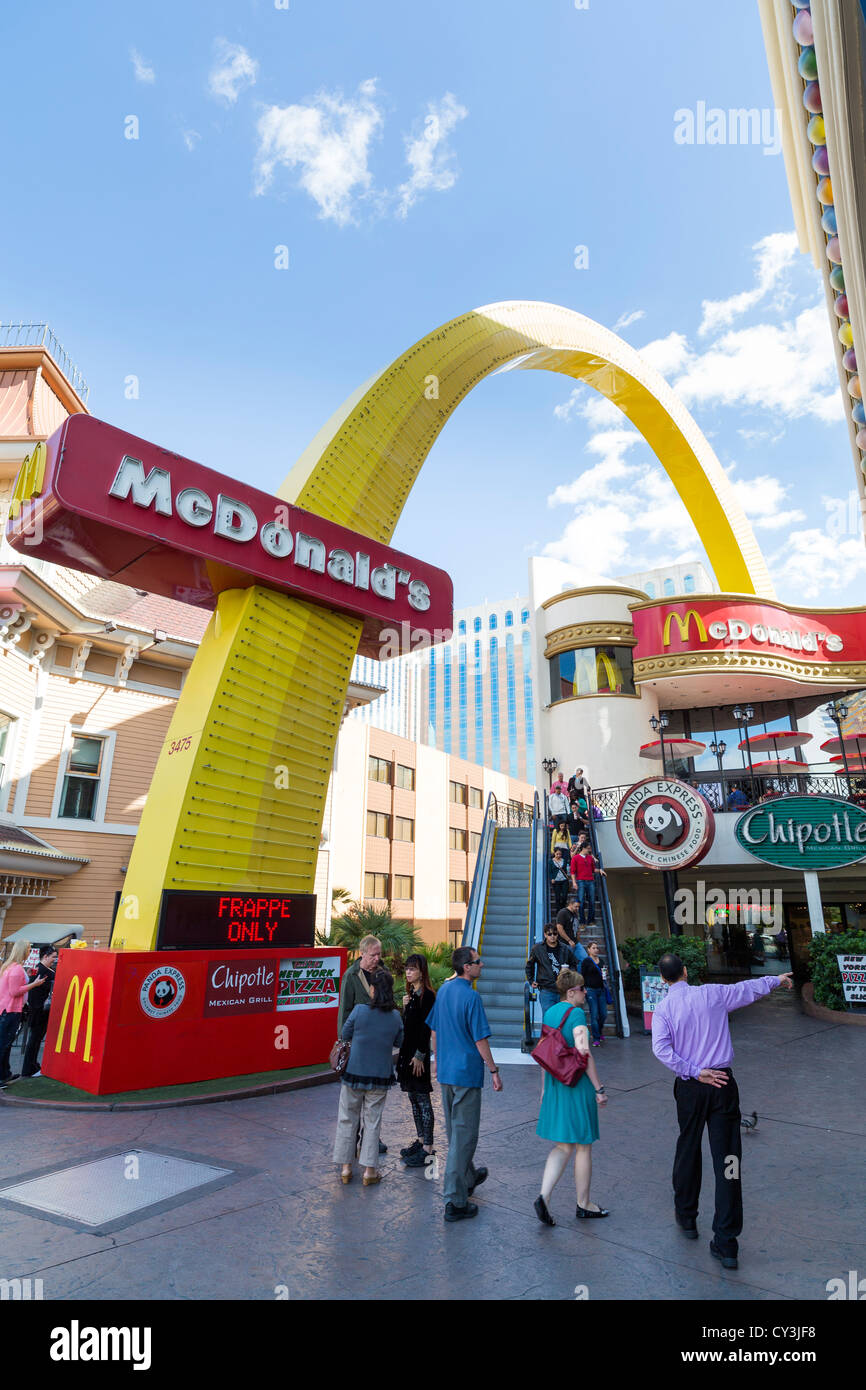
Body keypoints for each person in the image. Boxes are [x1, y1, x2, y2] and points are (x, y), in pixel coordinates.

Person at [651, 951, 794, 1269]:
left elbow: (661, 1048)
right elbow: (747, 989)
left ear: (663, 979)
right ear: (686, 972)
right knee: (728, 1160)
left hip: (690, 1087)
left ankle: (687, 1218)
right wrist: (776, 979)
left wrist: (692, 1070)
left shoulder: (663, 1009)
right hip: (723, 1086)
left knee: (688, 1149)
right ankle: (727, 1242)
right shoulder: (713, 994)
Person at [427, 945, 503, 1222]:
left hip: (447, 1072)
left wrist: (436, 1058)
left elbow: (434, 1028)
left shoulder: (445, 990)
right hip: (466, 1074)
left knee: (454, 1131)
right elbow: (480, 1039)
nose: (482, 965)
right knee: (464, 1136)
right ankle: (455, 1200)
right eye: (478, 962)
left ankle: (468, 1177)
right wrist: (493, 1070)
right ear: (467, 967)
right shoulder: (472, 998)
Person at [534, 968, 609, 1226]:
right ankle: (584, 1203)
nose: (585, 993)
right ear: (571, 991)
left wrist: (544, 1088)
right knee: (583, 1146)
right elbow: (583, 1052)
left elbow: (546, 1052)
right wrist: (599, 1089)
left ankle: (544, 1196)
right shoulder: (576, 1013)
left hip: (555, 1084)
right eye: (582, 989)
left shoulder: (550, 1012)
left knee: (562, 1146)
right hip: (576, 1085)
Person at [333, 968, 403, 1186]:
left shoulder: (359, 1011)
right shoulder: (395, 1016)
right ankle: (369, 1172)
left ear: (372, 989)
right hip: (380, 1075)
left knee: (347, 1118)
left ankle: (346, 1169)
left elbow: (345, 1034)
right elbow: (400, 1042)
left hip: (354, 1072)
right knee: (372, 1122)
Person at [338, 935, 388, 1154]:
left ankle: (371, 1140)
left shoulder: (382, 972)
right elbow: (344, 1012)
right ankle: (355, 1143)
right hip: (358, 1043)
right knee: (356, 1100)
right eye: (373, 955)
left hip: (378, 1043)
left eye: (379, 954)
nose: (377, 958)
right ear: (362, 953)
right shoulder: (351, 976)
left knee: (373, 1100)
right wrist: (344, 1043)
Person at [396, 954, 436, 1168]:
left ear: (422, 971)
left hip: (417, 1056)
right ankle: (420, 1141)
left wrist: (421, 1054)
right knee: (413, 1098)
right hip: (408, 1055)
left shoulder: (428, 995)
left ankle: (428, 1149)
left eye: (412, 969)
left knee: (423, 1099)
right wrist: (405, 1007)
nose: (408, 972)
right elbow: (409, 1027)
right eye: (407, 969)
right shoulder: (412, 995)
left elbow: (426, 1028)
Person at [0, 942, 44, 1082]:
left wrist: (27, 976)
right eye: (29, 949)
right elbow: (15, 991)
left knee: (5, 1045)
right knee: (4, 1045)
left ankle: (5, 1074)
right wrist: (34, 984)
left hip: (6, 1010)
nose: (30, 952)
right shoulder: (17, 969)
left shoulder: (9, 966)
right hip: (11, 1011)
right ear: (23, 951)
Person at [21, 944, 58, 1077]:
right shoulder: (44, 971)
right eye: (53, 957)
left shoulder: (39, 968)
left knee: (35, 1040)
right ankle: (28, 1069)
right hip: (40, 1012)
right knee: (34, 1040)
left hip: (37, 1011)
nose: (55, 959)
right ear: (45, 956)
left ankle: (32, 1066)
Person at [526, 925, 579, 1016]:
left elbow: (574, 964)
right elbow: (529, 965)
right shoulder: (537, 948)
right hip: (547, 990)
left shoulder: (565, 948)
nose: (552, 936)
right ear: (545, 935)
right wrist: (531, 980)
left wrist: (569, 973)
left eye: (555, 933)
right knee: (548, 1019)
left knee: (563, 1019)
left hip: (563, 990)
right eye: (549, 934)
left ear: (557, 934)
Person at [570, 843, 606, 926]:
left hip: (590, 881)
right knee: (581, 902)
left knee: (592, 901)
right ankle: (582, 922)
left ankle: (591, 921)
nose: (589, 850)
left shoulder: (590, 858)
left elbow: (593, 869)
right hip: (580, 881)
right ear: (583, 848)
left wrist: (600, 870)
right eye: (588, 848)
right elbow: (572, 872)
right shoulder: (575, 858)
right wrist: (574, 882)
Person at [580, 941, 607, 1046]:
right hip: (590, 990)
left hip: (601, 990)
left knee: (603, 1014)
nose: (596, 950)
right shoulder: (586, 961)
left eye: (597, 948)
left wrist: (605, 973)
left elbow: (604, 975)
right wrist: (583, 988)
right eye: (594, 948)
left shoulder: (601, 961)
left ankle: (599, 1032)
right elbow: (582, 976)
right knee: (594, 1014)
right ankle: (596, 1038)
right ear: (589, 949)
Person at [555, 896, 588, 963]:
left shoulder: (575, 913)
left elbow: (576, 927)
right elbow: (559, 928)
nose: (577, 908)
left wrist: (578, 939)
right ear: (570, 904)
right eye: (576, 906)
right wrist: (569, 940)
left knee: (585, 959)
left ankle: (578, 973)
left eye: (578, 907)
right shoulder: (563, 912)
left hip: (575, 943)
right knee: (566, 963)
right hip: (565, 943)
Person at [550, 847, 571, 911]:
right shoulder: (551, 861)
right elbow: (549, 871)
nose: (559, 855)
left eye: (560, 854)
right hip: (556, 881)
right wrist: (552, 878)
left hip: (564, 880)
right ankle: (558, 911)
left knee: (564, 896)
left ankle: (563, 909)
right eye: (557, 854)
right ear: (554, 853)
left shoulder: (564, 860)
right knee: (558, 897)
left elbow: (566, 869)